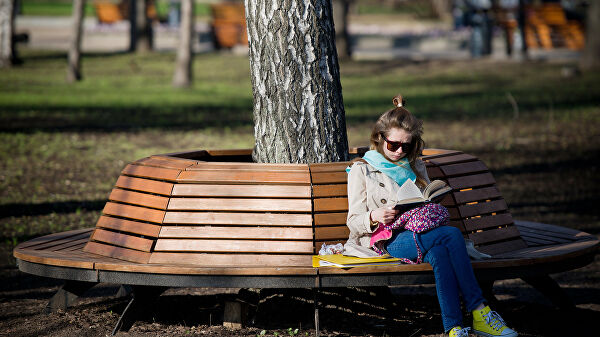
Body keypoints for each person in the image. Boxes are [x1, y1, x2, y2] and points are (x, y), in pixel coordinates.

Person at [345, 94, 518, 337]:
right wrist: (374, 215)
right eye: (393, 144)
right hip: (387, 238)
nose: (398, 151)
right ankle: (480, 311)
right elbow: (353, 222)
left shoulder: (415, 165)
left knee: (439, 253)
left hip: (422, 231)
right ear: (379, 138)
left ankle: (454, 328)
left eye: (406, 146)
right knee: (450, 235)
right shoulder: (361, 169)